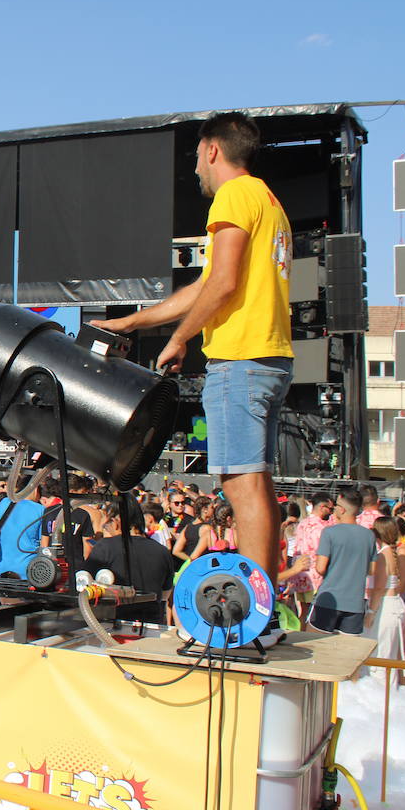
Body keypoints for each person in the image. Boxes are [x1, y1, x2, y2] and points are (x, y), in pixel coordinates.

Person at [92, 113, 293, 583]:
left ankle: (254, 601)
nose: (197, 168)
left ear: (213, 150)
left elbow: (221, 283)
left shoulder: (233, 195)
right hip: (268, 357)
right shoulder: (266, 199)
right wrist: (132, 321)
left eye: (198, 157)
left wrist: (180, 337)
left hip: (240, 360)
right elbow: (205, 285)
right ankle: (262, 596)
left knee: (241, 486)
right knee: (256, 485)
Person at [83, 499, 174, 624]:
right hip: (151, 626)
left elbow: (84, 584)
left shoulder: (105, 548)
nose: (105, 528)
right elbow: (164, 595)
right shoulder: (162, 551)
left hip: (112, 626)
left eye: (106, 524)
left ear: (116, 522)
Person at [309, 489, 378, 636]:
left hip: (329, 599)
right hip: (355, 603)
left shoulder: (329, 532)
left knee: (316, 643)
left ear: (342, 509)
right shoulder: (369, 535)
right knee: (347, 648)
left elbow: (320, 568)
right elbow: (372, 570)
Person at [367, 517, 405, 664]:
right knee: (390, 654)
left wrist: (370, 613)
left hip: (385, 607)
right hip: (392, 604)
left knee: (380, 654)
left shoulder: (383, 554)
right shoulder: (388, 552)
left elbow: (379, 588)